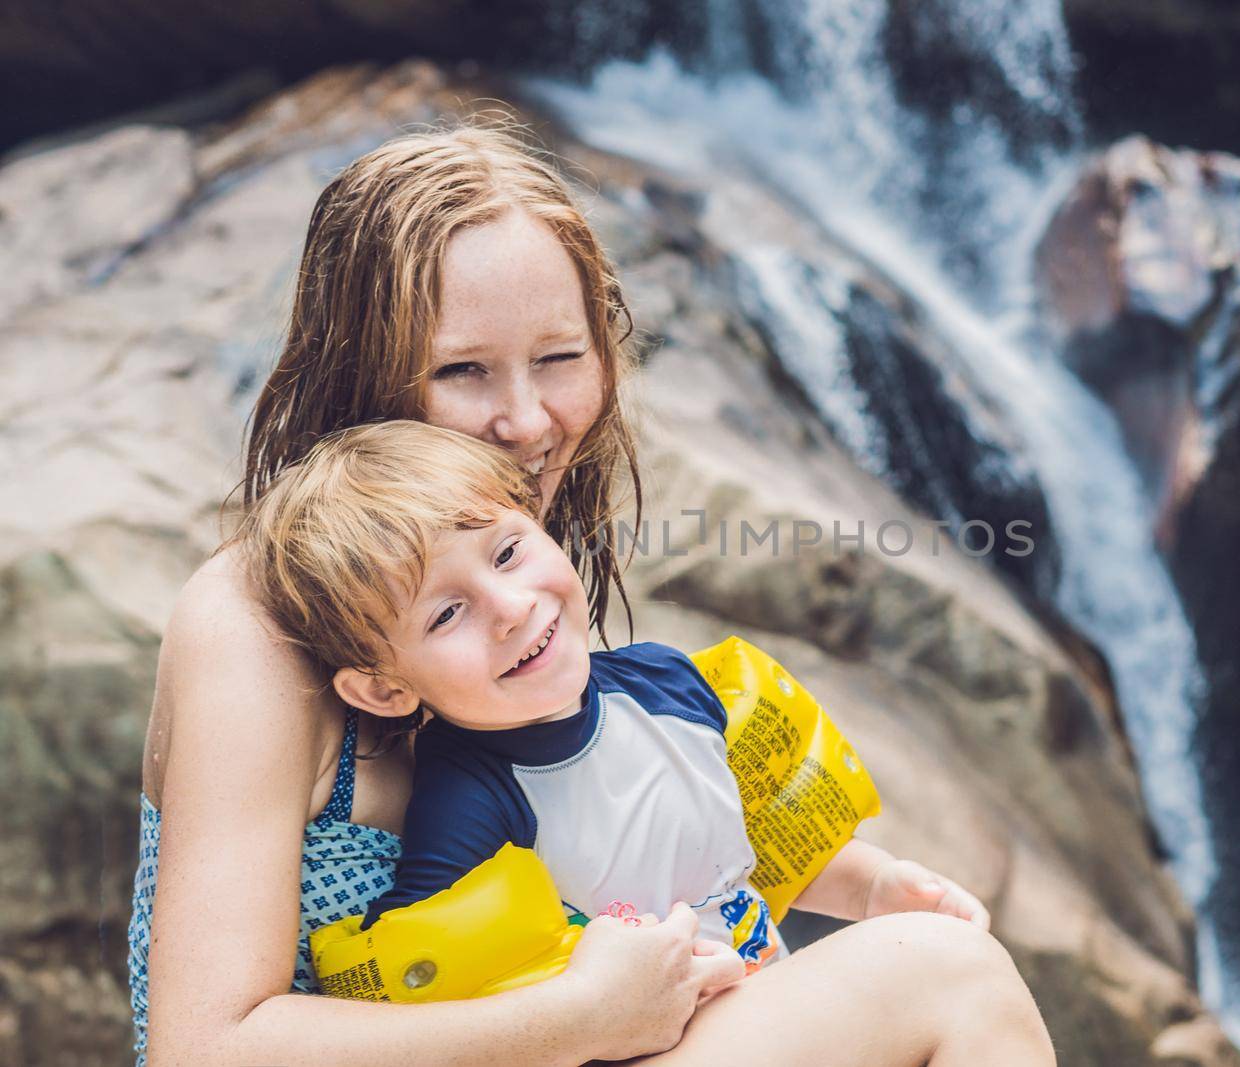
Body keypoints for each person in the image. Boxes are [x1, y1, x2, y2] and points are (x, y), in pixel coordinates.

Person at [130, 124, 1055, 1066]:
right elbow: (200, 1049)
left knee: (929, 958)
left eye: (561, 358)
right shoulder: (253, 624)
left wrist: (860, 885)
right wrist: (574, 1020)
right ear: (362, 372)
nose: (528, 420)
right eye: (462, 370)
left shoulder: (514, 579)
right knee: (948, 975)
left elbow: (651, 859)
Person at [238, 419, 991, 975]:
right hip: (657, 1044)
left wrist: (876, 885)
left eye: (507, 551)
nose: (508, 605)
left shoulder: (670, 684)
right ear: (384, 687)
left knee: (951, 962)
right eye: (445, 612)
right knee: (949, 979)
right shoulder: (471, 794)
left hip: (772, 998)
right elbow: (434, 963)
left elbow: (745, 858)